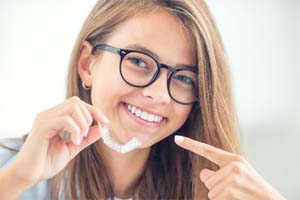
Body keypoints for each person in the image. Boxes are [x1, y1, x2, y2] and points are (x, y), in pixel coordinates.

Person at [0, 0, 286, 199]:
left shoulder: (215, 190)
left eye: (185, 78)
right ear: (88, 65)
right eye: (138, 61)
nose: (159, 94)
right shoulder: (12, 168)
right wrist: (17, 178)